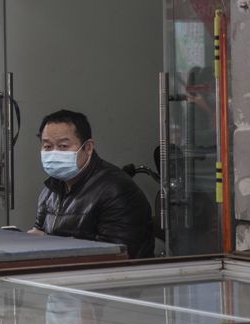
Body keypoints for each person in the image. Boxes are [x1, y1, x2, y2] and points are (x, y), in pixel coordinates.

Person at [29, 109, 156, 258]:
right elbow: (38, 233)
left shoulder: (116, 189)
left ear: (88, 148)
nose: (54, 153)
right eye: (48, 147)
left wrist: (49, 243)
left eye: (63, 146)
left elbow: (117, 254)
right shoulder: (50, 189)